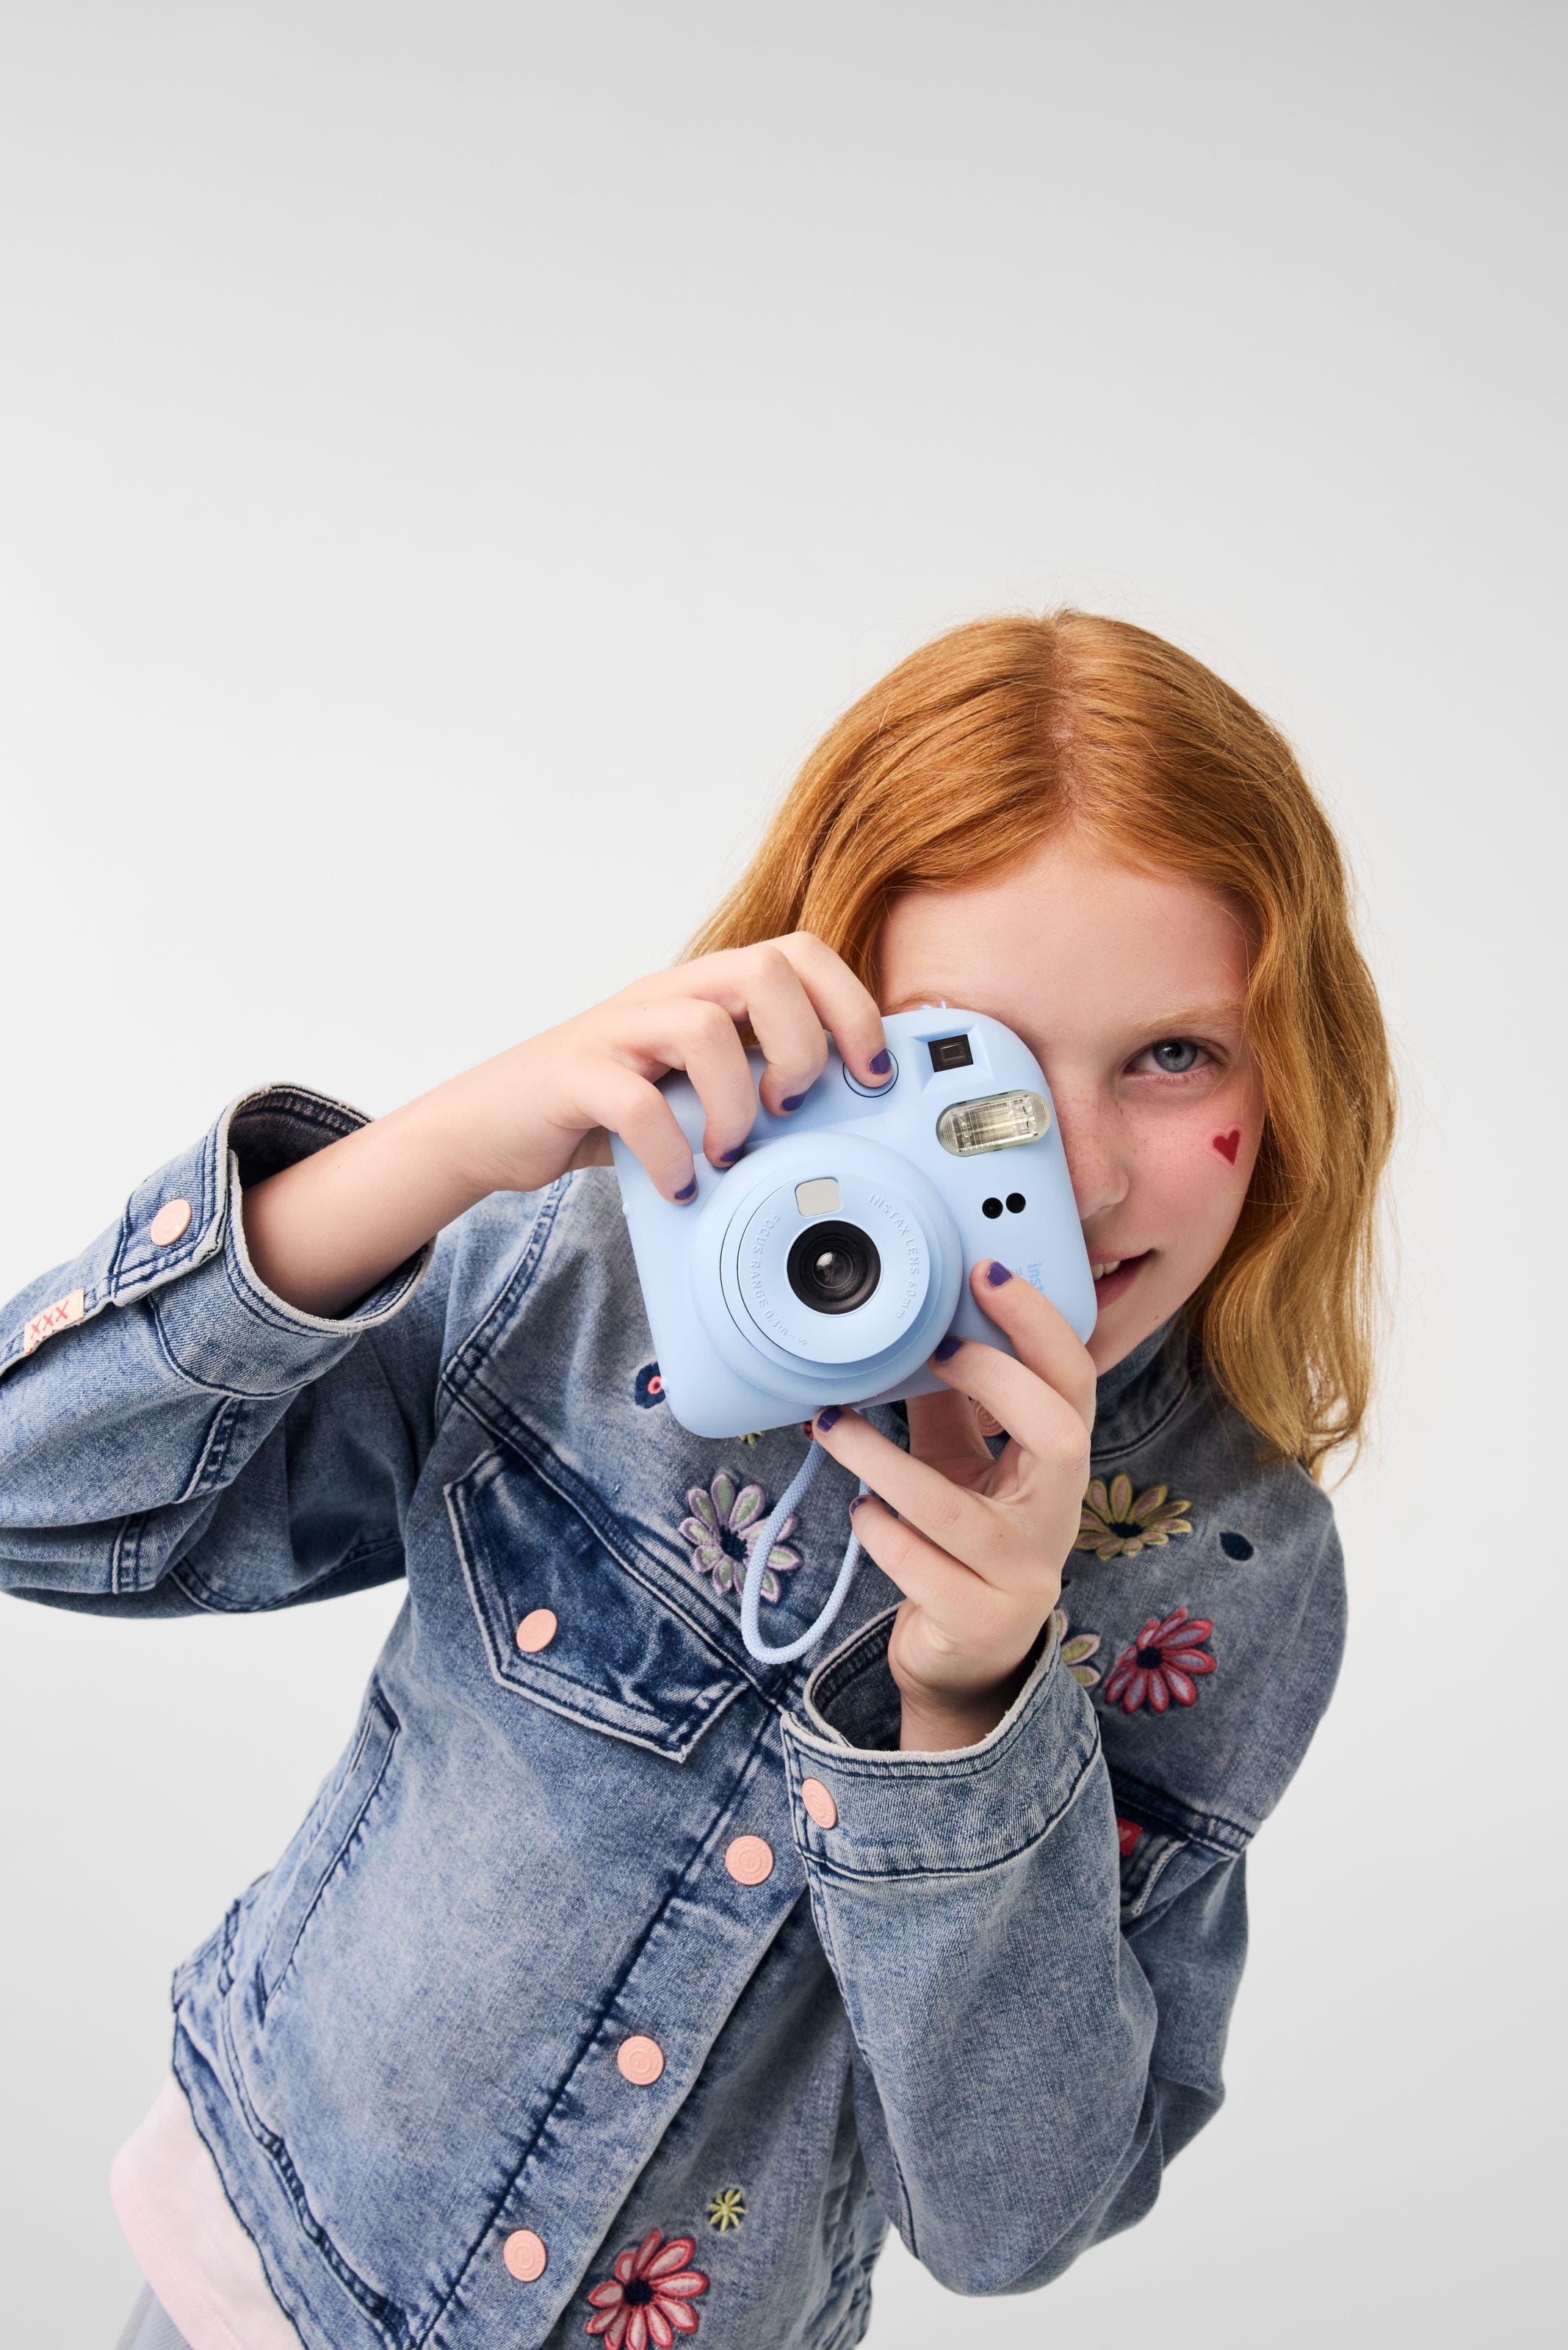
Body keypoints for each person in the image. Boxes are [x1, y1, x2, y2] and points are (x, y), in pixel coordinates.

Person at [1, 610, 1396, 2350]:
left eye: (1176, 1053)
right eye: (977, 1064)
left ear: (1299, 1070)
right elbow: (35, 1495)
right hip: (271, 2277)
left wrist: (975, 1705)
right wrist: (440, 1146)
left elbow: (1013, 2214)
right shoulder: (599, 1264)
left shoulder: (1241, 1567)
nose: (1082, 1170)